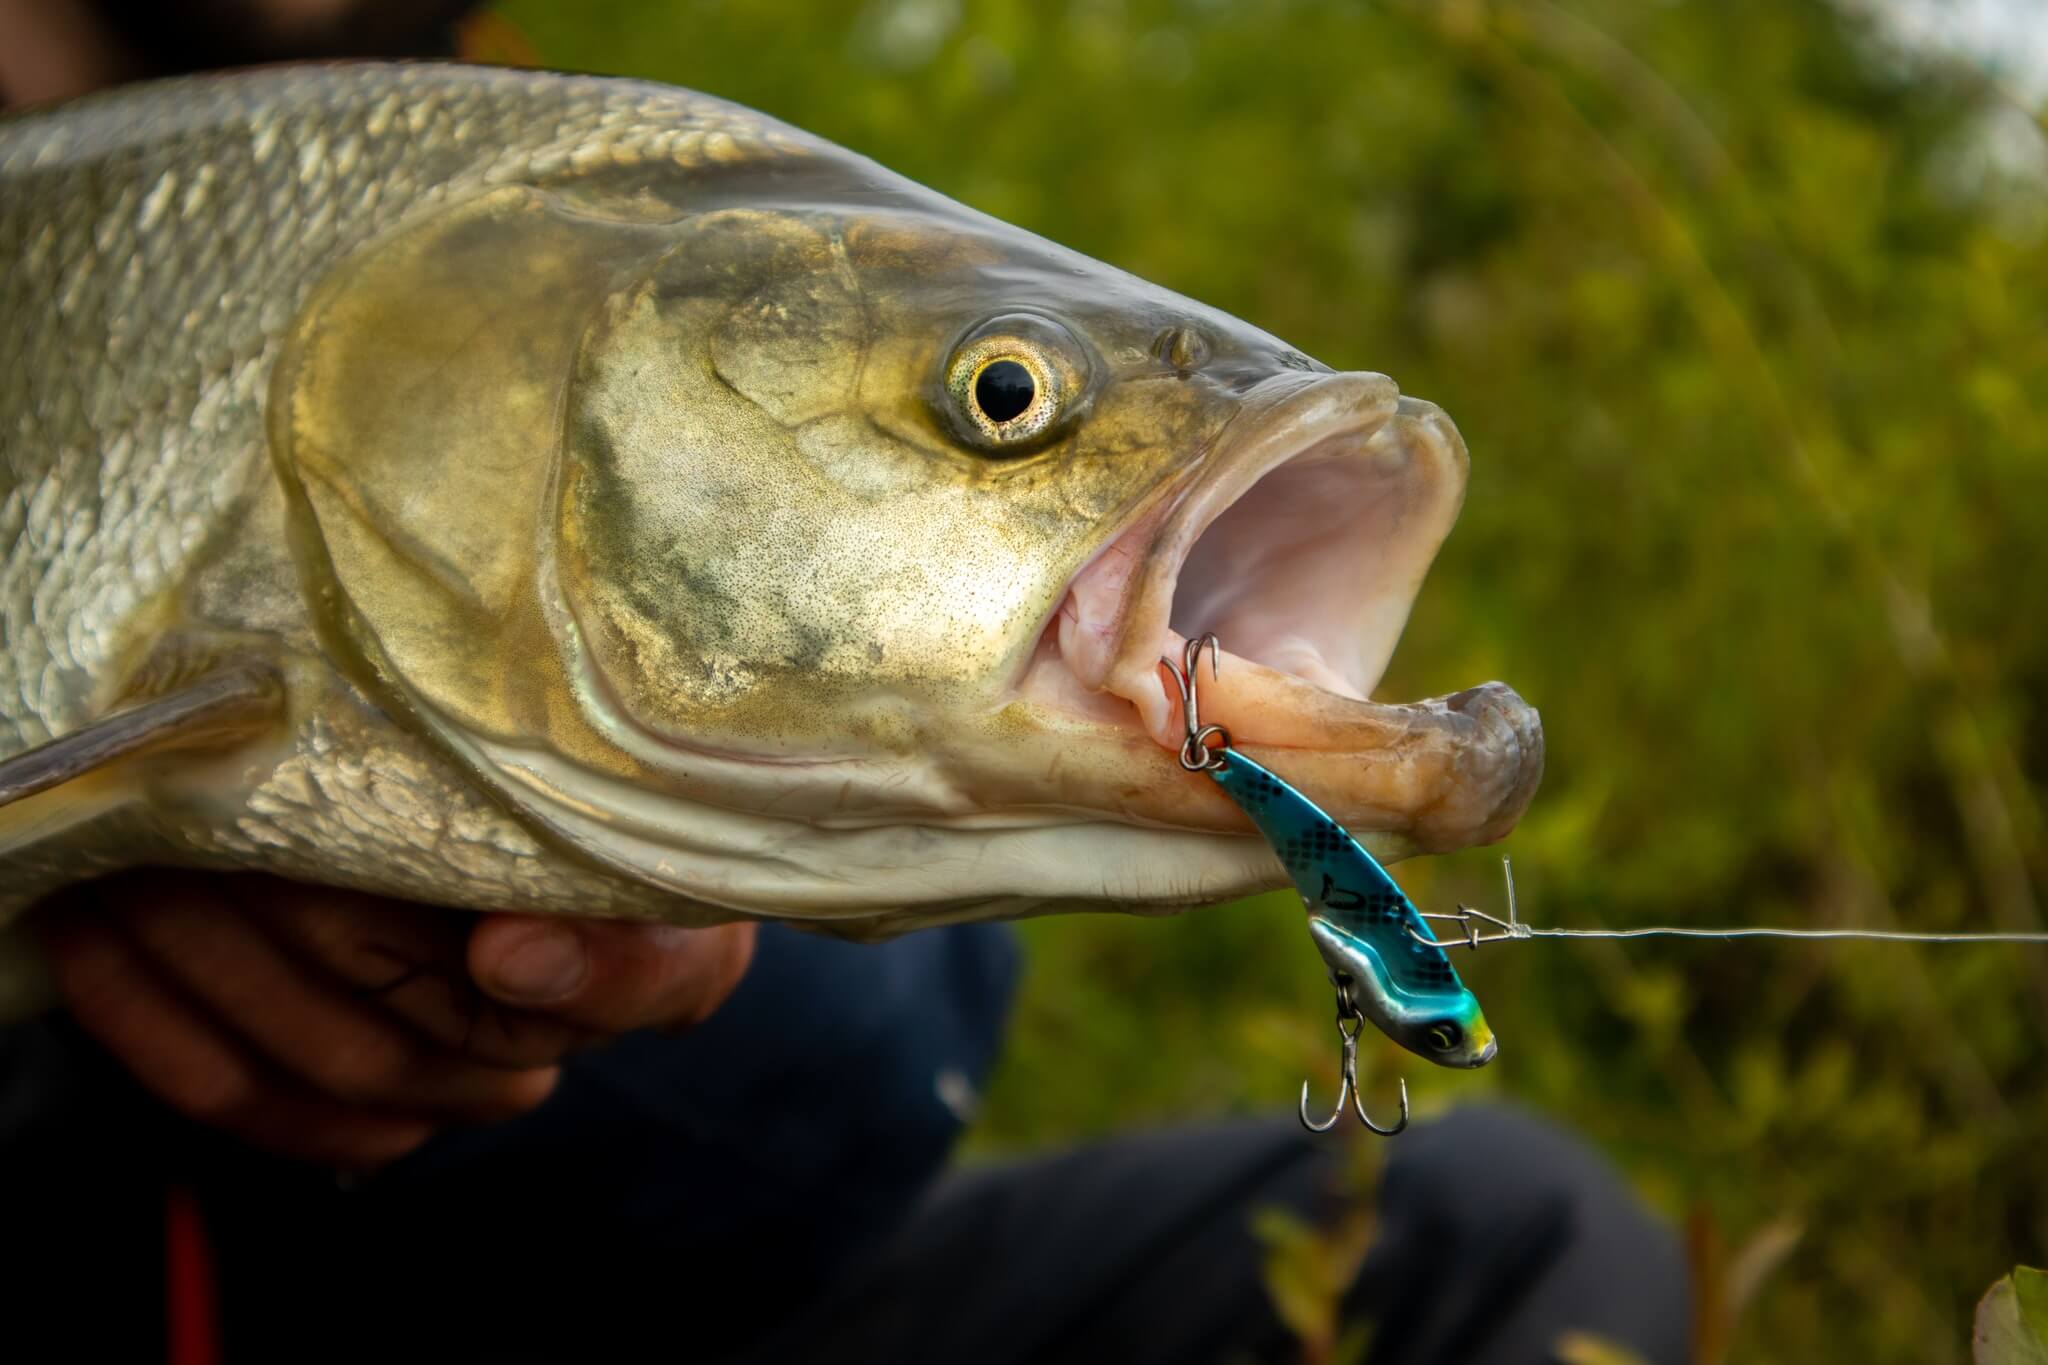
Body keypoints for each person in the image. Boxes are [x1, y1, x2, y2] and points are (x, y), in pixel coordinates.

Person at [0, 5, 1692, 1360]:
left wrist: (602, 982)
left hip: (525, 1275)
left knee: (1508, 1239)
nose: (1009, 401)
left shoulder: (544, 157)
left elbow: (881, 1095)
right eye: (1005, 399)